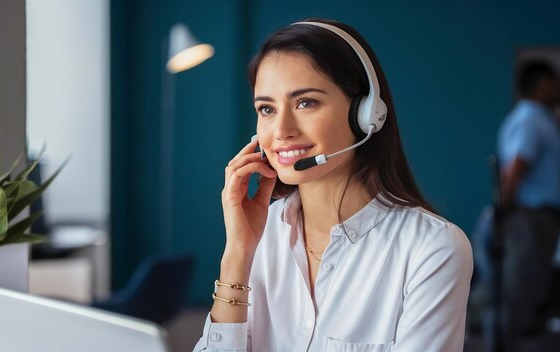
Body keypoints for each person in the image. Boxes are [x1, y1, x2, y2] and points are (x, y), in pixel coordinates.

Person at [194, 18, 473, 351]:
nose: (282, 129)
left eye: (305, 103)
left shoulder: (432, 249)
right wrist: (237, 255)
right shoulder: (264, 236)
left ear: (366, 114)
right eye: (266, 109)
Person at [496, 60, 560, 351]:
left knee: (532, 291)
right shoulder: (531, 118)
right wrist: (505, 211)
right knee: (521, 291)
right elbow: (515, 167)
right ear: (543, 84)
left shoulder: (539, 117)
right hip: (530, 219)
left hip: (538, 219)